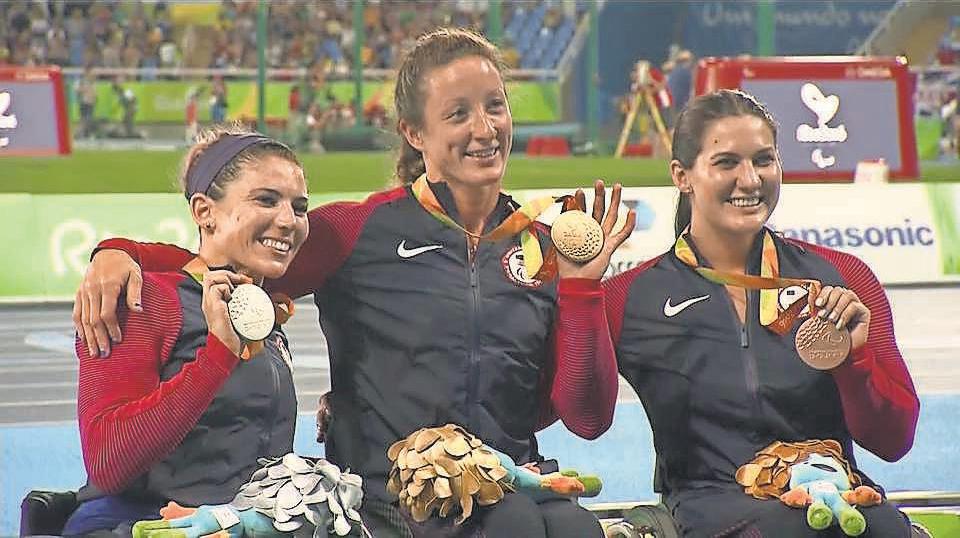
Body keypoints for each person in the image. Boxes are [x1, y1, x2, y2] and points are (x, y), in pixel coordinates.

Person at [73, 28, 636, 538]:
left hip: (507, 482)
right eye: (458, 113)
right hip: (392, 502)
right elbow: (228, 259)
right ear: (413, 132)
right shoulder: (357, 232)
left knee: (573, 529)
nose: (484, 129)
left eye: (495, 106)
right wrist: (122, 252)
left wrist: (582, 290)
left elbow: (586, 418)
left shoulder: (540, 247)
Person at [602, 89, 920, 537]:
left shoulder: (842, 278)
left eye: (764, 160)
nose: (750, 180)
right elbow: (584, 418)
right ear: (682, 176)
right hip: (712, 508)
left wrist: (854, 361)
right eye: (727, 162)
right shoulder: (629, 297)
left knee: (883, 529)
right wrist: (579, 294)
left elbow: (895, 440)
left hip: (831, 494)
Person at [62, 125, 309, 536]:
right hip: (138, 525)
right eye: (266, 200)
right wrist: (217, 355)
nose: (288, 220)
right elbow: (108, 463)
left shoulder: (257, 310)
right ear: (204, 212)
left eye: (300, 208)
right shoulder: (141, 299)